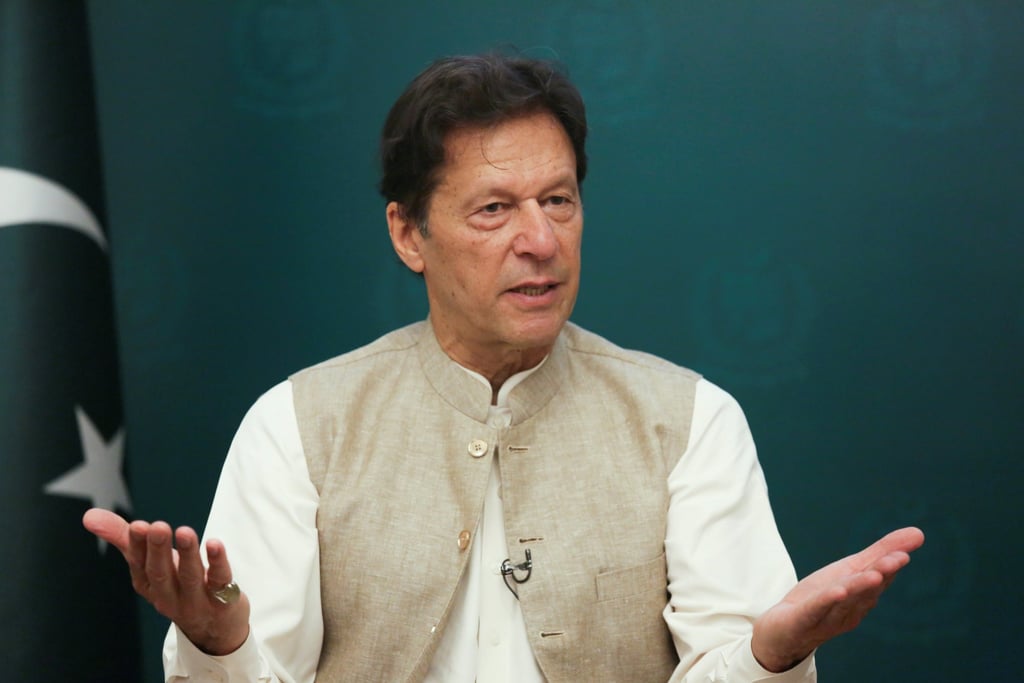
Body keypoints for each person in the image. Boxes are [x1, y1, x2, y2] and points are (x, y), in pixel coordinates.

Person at [85, 53, 924, 682]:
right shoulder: (297, 425)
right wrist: (218, 642)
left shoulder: (692, 419)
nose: (541, 240)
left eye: (558, 199)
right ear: (408, 233)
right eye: (494, 209)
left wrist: (771, 653)